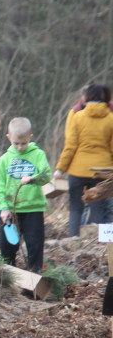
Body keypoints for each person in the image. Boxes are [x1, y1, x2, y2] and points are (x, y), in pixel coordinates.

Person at [54, 83, 113, 236]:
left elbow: (70, 147)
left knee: (75, 207)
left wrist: (60, 169)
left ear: (87, 97)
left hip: (77, 171)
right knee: (99, 208)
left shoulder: (78, 117)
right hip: (102, 171)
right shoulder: (111, 119)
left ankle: (73, 240)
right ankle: (100, 243)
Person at [0, 118, 51, 271]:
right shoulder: (4, 160)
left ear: (30, 138)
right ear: (8, 138)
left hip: (33, 208)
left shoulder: (38, 155)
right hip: (11, 210)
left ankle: (35, 276)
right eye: (16, 143)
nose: (20, 147)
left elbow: (46, 175)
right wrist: (3, 208)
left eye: (24, 143)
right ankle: (8, 274)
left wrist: (33, 178)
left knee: (34, 245)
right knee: (6, 245)